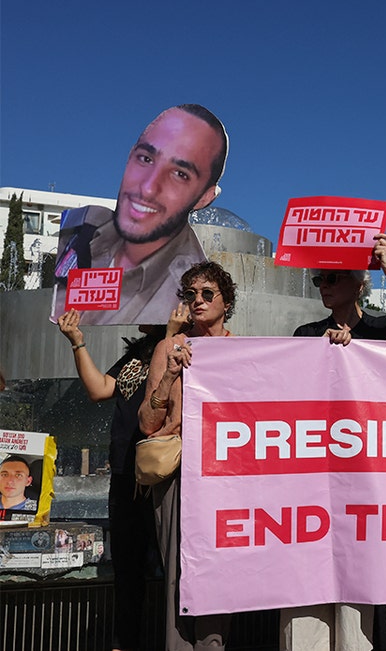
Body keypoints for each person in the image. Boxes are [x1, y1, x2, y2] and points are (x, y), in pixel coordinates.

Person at [283, 233, 386, 651]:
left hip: (361, 493)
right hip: (312, 488)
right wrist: (326, 352)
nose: (324, 286)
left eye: (332, 278)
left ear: (358, 283)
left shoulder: (380, 328)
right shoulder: (305, 332)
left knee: (355, 620)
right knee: (305, 614)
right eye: (319, 280)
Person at [57, 305, 186, 650]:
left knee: (173, 567)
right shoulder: (136, 356)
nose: (140, 307)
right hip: (127, 470)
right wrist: (77, 342)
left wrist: (172, 334)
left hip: (167, 474)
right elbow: (99, 389)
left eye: (151, 301)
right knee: (128, 569)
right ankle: (125, 642)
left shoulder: (187, 348)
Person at [52, 104, 228, 325]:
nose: (147, 187)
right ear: (129, 157)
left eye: (180, 174)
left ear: (204, 198)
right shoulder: (82, 227)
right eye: (146, 159)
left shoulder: (185, 292)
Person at [138, 261, 238, 650]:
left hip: (225, 475)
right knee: (179, 576)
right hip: (178, 473)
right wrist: (168, 376)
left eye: (207, 294)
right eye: (190, 294)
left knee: (220, 572)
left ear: (225, 302)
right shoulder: (170, 348)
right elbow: (147, 424)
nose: (197, 301)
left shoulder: (244, 350)